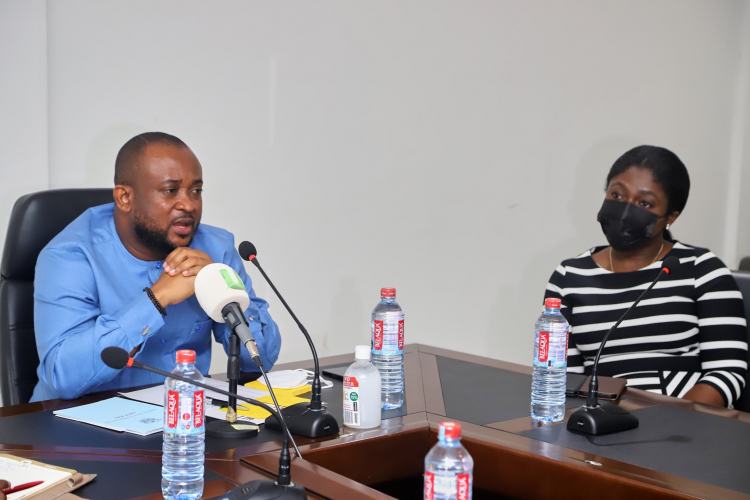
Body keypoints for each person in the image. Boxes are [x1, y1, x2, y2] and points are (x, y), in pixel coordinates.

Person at [31, 132, 281, 401]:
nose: (188, 204)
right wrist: (156, 299)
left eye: (196, 191)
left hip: (183, 423)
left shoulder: (215, 249)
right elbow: (62, 378)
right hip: (73, 428)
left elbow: (260, 359)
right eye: (170, 191)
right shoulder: (70, 256)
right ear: (125, 197)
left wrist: (220, 288)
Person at [544, 145, 748, 408]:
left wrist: (666, 422)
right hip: (601, 426)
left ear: (670, 217)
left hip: (685, 430)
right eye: (617, 194)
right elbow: (564, 379)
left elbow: (727, 375)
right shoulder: (569, 277)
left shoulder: (703, 270)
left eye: (645, 203)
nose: (627, 210)